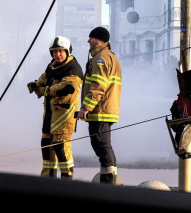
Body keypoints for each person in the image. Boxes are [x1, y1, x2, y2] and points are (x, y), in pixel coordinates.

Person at [27, 36, 83, 179]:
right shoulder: (52, 66)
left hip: (64, 116)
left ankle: (66, 179)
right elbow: (43, 79)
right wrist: (36, 85)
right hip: (49, 115)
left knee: (61, 148)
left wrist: (45, 89)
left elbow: (66, 88)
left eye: (60, 52)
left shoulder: (73, 68)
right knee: (46, 146)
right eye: (54, 52)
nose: (57, 55)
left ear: (67, 51)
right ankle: (47, 180)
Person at [76, 27, 122, 184]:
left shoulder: (101, 58)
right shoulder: (106, 56)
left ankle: (108, 182)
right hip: (104, 109)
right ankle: (110, 179)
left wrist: (85, 108)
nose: (89, 40)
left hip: (100, 110)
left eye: (92, 38)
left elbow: (98, 86)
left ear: (101, 40)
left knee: (101, 145)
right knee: (103, 145)